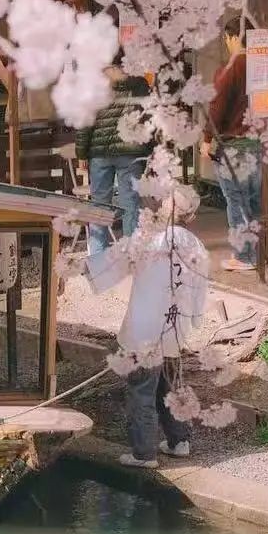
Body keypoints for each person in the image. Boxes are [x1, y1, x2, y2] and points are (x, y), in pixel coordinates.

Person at [86, 193, 210, 468]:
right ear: (191, 217)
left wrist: (83, 269)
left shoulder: (148, 240)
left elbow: (111, 264)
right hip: (175, 332)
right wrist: (194, 323)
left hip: (143, 331)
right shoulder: (198, 248)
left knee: (141, 390)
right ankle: (179, 442)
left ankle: (144, 454)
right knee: (170, 386)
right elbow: (200, 294)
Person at [76, 57, 152, 254]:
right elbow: (149, 117)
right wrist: (149, 150)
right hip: (131, 153)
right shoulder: (139, 83)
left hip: (100, 153)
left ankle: (98, 255)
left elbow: (85, 120)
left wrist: (81, 152)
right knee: (130, 203)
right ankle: (131, 254)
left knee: (99, 203)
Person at [203, 19, 261, 273]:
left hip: (234, 145)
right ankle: (256, 253)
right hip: (257, 143)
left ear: (232, 38)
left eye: (226, 39)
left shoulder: (230, 68)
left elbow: (216, 107)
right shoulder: (263, 66)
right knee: (252, 200)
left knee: (236, 201)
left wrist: (206, 139)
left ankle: (244, 255)